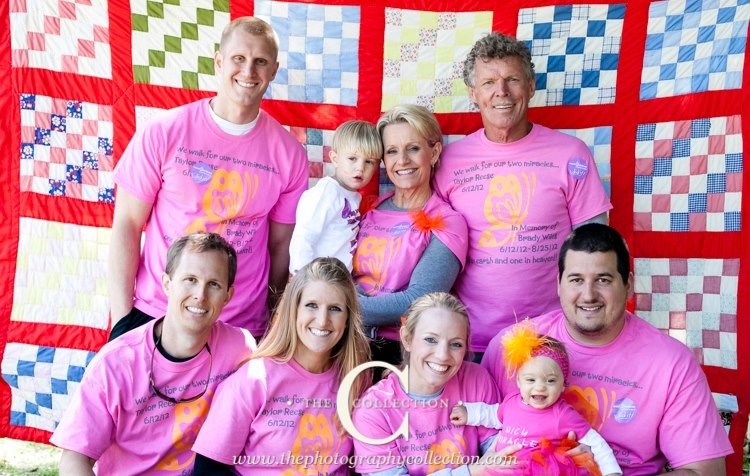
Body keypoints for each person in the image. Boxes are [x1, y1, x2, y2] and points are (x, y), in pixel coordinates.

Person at [108, 16, 308, 340]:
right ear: (219, 61)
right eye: (239, 58)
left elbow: (280, 246)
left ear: (274, 70)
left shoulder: (289, 154)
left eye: (260, 62)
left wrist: (274, 326)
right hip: (157, 314)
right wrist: (121, 321)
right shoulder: (164, 131)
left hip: (241, 326)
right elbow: (127, 225)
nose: (248, 71)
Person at [482, 223, 733, 475]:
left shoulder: (672, 363)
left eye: (603, 280)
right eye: (576, 280)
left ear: (628, 285)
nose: (588, 295)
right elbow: (471, 439)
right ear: (559, 284)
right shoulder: (511, 346)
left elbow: (705, 472)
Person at [433, 32, 612, 355]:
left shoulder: (571, 154)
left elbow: (595, 250)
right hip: (469, 342)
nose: (501, 91)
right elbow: (434, 250)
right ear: (473, 93)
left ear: (530, 87)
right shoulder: (449, 161)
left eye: (512, 79)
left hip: (551, 340)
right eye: (489, 82)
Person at [50, 232, 256, 475]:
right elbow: (74, 459)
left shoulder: (240, 348)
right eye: (190, 279)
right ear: (167, 284)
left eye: (214, 284)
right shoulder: (116, 362)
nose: (200, 295)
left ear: (228, 296)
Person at [191, 257, 371, 475]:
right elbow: (207, 471)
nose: (323, 320)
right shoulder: (254, 380)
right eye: (311, 306)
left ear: (348, 318)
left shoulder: (356, 381)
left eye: (335, 309)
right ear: (293, 310)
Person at [350, 292, 522, 475]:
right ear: (407, 339)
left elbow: (500, 453)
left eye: (456, 344)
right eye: (430, 340)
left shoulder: (476, 379)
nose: (442, 355)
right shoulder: (373, 410)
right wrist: (472, 471)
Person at [353, 104, 468, 368]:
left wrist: (339, 307)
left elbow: (418, 301)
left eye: (413, 148)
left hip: (399, 353)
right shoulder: (369, 208)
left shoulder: (448, 221)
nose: (402, 160)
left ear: (434, 152)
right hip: (346, 339)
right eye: (392, 151)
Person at [451, 321, 621, 476]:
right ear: (519, 381)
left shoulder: (562, 414)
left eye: (550, 381)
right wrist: (469, 413)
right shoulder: (511, 402)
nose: (540, 387)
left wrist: (611, 472)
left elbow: (595, 442)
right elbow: (493, 415)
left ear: (563, 384)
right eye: (531, 380)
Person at [289, 120, 382, 274]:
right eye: (352, 158)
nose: (360, 167)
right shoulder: (326, 193)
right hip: (317, 279)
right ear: (335, 159)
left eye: (369, 161)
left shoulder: (354, 196)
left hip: (340, 280)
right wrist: (302, 278)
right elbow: (303, 238)